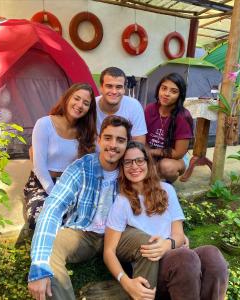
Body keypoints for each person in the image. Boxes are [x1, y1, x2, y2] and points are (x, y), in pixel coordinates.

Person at [104, 141, 228, 300]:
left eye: (139, 160)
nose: (134, 166)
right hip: (154, 268)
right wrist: (125, 280)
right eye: (127, 162)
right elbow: (109, 252)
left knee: (212, 255)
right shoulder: (122, 202)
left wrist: (167, 244)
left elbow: (179, 234)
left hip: (176, 253)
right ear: (122, 167)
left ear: (148, 163)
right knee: (185, 258)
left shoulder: (167, 190)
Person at [28, 115, 132, 300]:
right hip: (85, 233)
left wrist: (173, 233)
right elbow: (52, 209)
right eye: (108, 138)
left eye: (120, 140)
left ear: (127, 144)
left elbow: (155, 198)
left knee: (150, 245)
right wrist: (38, 267)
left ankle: (144, 293)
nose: (113, 145)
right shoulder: (81, 168)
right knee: (50, 248)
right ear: (99, 140)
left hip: (119, 234)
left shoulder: (133, 168)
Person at [24, 83, 97, 229]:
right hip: (42, 184)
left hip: (71, 186)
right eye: (76, 98)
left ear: (89, 109)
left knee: (87, 216)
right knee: (41, 218)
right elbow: (39, 166)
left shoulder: (86, 131)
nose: (79, 105)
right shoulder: (44, 124)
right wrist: (56, 196)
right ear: (67, 98)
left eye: (86, 103)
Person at [145, 73, 193, 183]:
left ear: (180, 95)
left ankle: (168, 185)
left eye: (173, 91)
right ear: (158, 89)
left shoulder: (183, 117)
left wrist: (151, 152)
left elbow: (178, 153)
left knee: (167, 167)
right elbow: (142, 137)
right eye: (164, 88)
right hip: (151, 152)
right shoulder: (150, 109)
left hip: (174, 158)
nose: (166, 94)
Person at [96, 66, 147, 144]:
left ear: (124, 89)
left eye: (119, 87)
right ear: (101, 88)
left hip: (123, 155)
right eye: (109, 86)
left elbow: (139, 143)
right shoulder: (91, 105)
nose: (114, 91)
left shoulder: (134, 106)